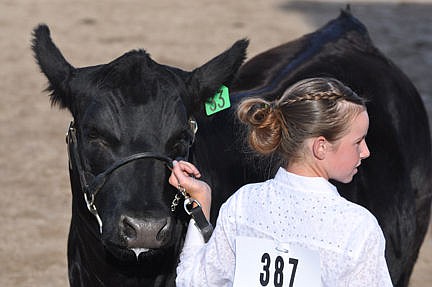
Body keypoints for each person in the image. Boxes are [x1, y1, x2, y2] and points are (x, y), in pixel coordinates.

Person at [168, 77, 393, 286]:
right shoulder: (358, 228)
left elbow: (194, 281)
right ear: (321, 147)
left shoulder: (242, 204)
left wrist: (200, 202)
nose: (365, 152)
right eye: (358, 141)